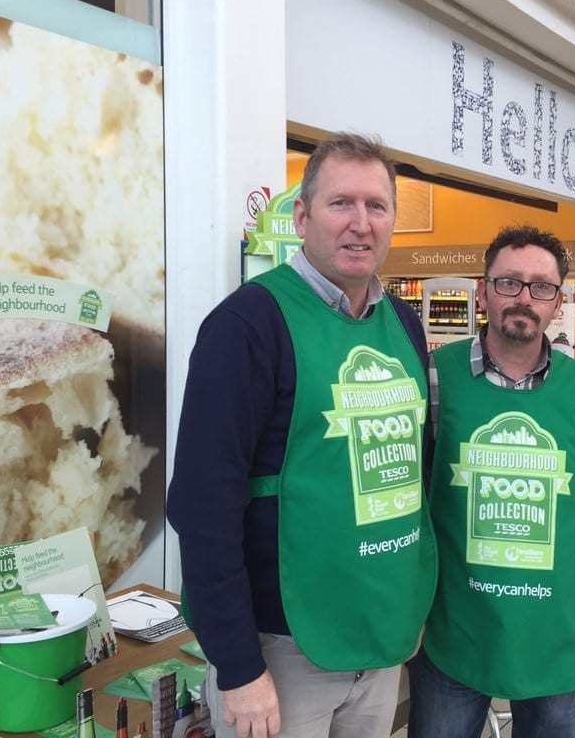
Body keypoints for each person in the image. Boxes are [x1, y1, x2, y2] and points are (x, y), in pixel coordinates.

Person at [167, 132, 437, 738]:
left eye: (377, 206)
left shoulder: (403, 323)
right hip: (284, 651)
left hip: (379, 634)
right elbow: (203, 507)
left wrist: (411, 600)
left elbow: (411, 473)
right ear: (302, 214)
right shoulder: (245, 325)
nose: (360, 224)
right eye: (341, 203)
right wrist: (237, 667)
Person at [407, 224, 575, 738]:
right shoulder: (436, 375)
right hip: (456, 619)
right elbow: (414, 491)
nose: (524, 298)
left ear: (558, 302)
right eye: (508, 283)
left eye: (541, 287)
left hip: (555, 625)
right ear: (483, 291)